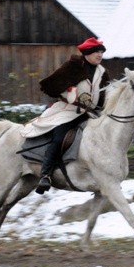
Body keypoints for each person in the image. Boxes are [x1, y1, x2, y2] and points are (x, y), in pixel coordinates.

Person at [20, 37, 111, 194]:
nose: (100, 55)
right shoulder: (73, 66)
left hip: (90, 114)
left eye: (101, 52)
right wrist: (71, 92)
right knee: (59, 137)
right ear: (88, 53)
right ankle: (45, 175)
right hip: (68, 111)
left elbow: (104, 96)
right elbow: (51, 86)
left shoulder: (103, 73)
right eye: (97, 51)